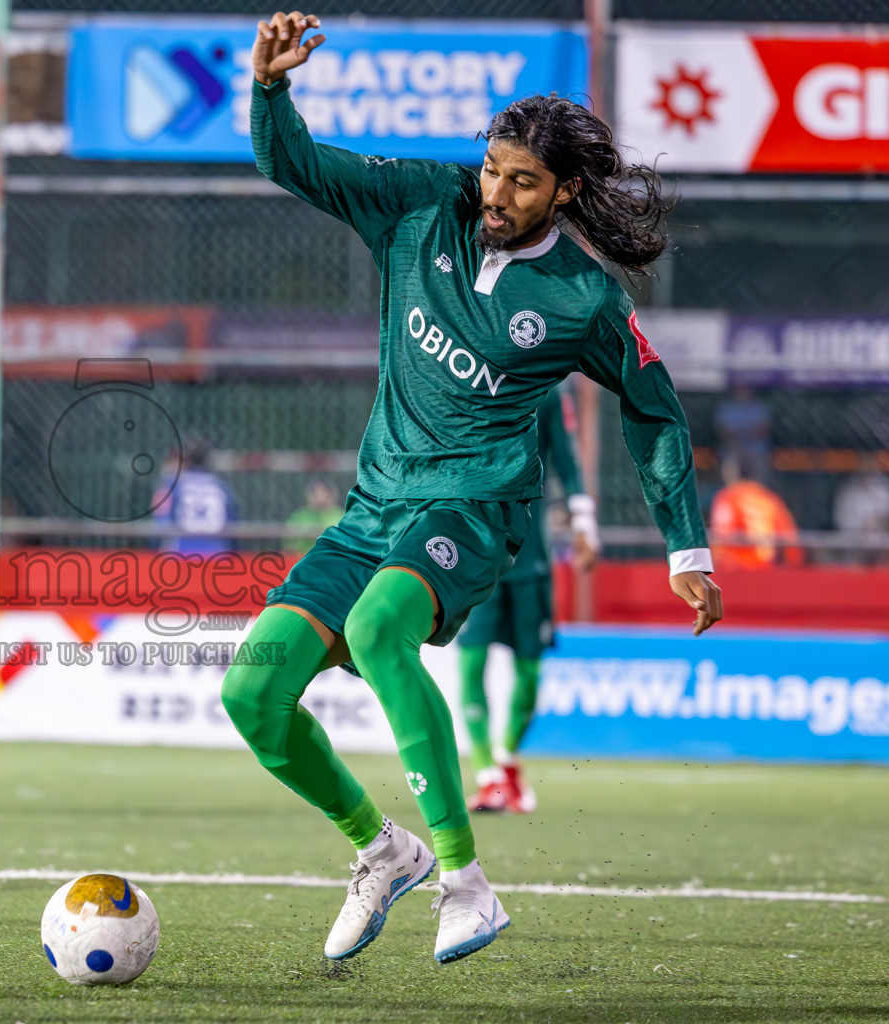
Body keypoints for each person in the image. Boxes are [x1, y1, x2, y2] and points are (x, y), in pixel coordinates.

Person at [221, 12, 722, 967]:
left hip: (473, 509)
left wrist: (685, 549)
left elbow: (654, 411)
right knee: (252, 692)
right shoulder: (421, 205)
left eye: (523, 180)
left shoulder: (584, 297)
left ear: (565, 191)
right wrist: (271, 90)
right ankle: (382, 852)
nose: (496, 190)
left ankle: (466, 883)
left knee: (377, 631)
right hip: (375, 508)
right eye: (493, 168)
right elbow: (297, 165)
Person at [460, 387, 597, 814]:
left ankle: (505, 761)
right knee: (470, 661)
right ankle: (488, 777)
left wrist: (585, 523)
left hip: (531, 558)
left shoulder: (548, 390)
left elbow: (568, 461)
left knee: (531, 670)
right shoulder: (466, 378)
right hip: (478, 551)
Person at [710, 458, 802, 568]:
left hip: (737, 570)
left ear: (731, 473)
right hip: (769, 570)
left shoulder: (728, 497)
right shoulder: (770, 499)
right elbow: (791, 541)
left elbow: (721, 537)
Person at [154, 438, 240, 554]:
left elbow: (161, 523)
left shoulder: (172, 484)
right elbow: (234, 526)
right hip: (219, 556)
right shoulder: (222, 487)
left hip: (181, 555)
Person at [285, 478, 345, 554]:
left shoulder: (342, 517)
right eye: (315, 493)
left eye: (323, 493)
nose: (319, 497)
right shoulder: (299, 517)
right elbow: (290, 545)